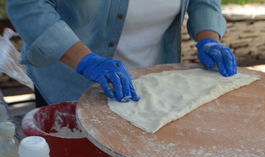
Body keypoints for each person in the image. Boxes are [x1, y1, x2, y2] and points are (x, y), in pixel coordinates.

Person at [7, 0, 238, 107]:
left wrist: (209, 39)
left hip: (151, 85)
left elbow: (204, 2)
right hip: (71, 81)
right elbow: (28, 5)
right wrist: (85, 61)